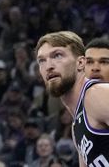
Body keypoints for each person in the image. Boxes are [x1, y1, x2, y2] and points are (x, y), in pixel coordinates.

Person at [35, 31, 109, 167]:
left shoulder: (97, 95)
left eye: (57, 55)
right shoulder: (76, 127)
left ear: (81, 63)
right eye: (42, 61)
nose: (48, 66)